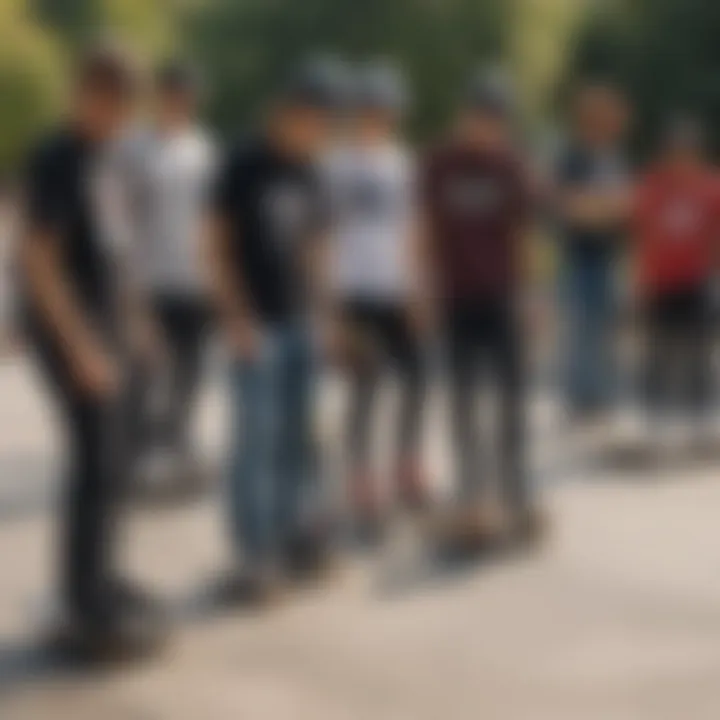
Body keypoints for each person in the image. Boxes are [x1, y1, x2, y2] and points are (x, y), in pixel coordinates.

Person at [20, 44, 168, 660]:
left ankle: (101, 577)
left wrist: (138, 325)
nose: (117, 115)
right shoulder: (56, 158)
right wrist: (81, 352)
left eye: (126, 105)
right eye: (107, 101)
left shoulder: (114, 161)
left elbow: (117, 253)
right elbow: (40, 265)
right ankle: (81, 602)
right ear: (83, 95)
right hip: (64, 328)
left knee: (118, 461)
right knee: (94, 459)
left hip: (109, 323)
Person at [207, 60, 344, 603]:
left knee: (297, 437)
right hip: (255, 323)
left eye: (324, 125)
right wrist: (235, 316)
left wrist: (328, 318)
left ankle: (292, 535)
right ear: (287, 112)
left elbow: (317, 250)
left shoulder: (312, 170)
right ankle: (251, 552)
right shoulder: (243, 162)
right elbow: (214, 246)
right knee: (255, 441)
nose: (317, 132)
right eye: (312, 120)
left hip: (299, 322)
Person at [421, 69, 540, 549]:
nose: (487, 128)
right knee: (465, 400)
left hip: (501, 297)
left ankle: (514, 492)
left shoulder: (511, 166)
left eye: (496, 121)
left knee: (511, 399)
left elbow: (523, 235)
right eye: (480, 117)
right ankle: (471, 492)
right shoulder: (439, 164)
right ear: (465, 115)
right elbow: (425, 229)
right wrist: (423, 291)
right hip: (455, 297)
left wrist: (532, 296)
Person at [323, 62, 430, 537]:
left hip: (396, 290)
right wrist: (329, 305)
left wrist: (417, 287)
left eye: (385, 111)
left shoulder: (401, 162)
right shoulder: (335, 165)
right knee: (365, 389)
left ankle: (406, 465)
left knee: (419, 377)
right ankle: (360, 479)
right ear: (356, 114)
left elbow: (412, 230)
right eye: (370, 110)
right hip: (354, 291)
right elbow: (322, 234)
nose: (378, 118)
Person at [116, 60, 216, 495]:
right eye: (173, 94)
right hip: (149, 281)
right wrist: (128, 289)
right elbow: (121, 221)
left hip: (195, 281)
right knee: (143, 375)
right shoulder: (133, 147)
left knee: (191, 373)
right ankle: (131, 460)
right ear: (160, 97)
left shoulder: (202, 148)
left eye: (188, 96)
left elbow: (211, 219)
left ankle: (176, 450)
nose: (180, 103)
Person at [633, 117, 720, 438]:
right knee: (659, 350)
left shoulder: (710, 186)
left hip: (696, 279)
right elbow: (643, 236)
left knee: (699, 348)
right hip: (661, 281)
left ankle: (700, 415)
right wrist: (641, 281)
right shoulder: (653, 187)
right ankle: (655, 415)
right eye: (675, 152)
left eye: (687, 151)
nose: (681, 158)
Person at [554, 80, 630, 420]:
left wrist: (601, 208)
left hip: (609, 255)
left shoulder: (614, 158)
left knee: (607, 329)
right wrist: (604, 208)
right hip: (580, 257)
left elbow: (628, 207)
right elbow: (569, 207)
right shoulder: (573, 158)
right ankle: (579, 401)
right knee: (581, 330)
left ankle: (601, 398)